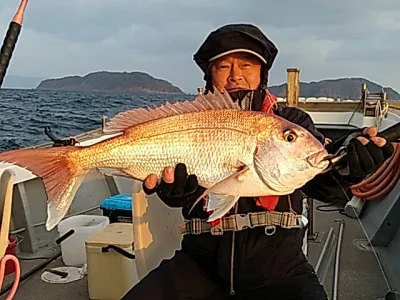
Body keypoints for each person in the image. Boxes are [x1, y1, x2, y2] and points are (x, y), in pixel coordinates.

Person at [122, 24, 394, 300]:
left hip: (281, 268)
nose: (235, 76)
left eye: (247, 65)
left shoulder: (292, 121)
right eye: (223, 67)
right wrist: (177, 194)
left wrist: (349, 171)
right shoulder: (191, 122)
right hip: (199, 262)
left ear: (262, 73)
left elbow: (323, 186)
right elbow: (181, 197)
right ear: (209, 76)